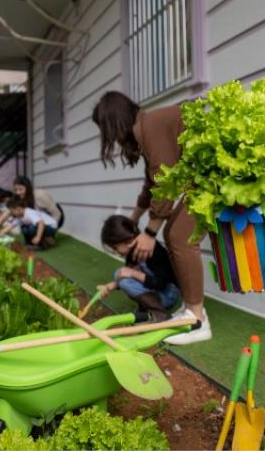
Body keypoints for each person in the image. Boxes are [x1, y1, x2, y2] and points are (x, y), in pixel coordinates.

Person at [92, 91, 211, 345]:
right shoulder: (146, 128)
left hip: (213, 178)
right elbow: (151, 184)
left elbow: (164, 181)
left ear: (114, 121)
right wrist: (135, 218)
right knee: (174, 234)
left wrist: (148, 233)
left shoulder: (150, 125)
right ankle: (191, 310)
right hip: (203, 179)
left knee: (180, 236)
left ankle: (198, 319)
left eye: (105, 128)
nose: (109, 137)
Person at [98, 214, 181, 323]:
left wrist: (133, 273)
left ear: (128, 240)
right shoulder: (131, 252)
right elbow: (127, 274)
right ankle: (147, 307)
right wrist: (110, 286)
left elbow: (160, 283)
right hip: (154, 290)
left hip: (168, 294)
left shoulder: (154, 251)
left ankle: (160, 314)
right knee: (119, 273)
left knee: (126, 280)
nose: (114, 251)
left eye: (115, 247)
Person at [0, 176, 64, 238]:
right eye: (16, 190)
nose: (18, 192)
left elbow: (57, 213)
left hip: (53, 218)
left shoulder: (39, 195)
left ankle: (47, 239)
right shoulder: (18, 198)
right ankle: (34, 241)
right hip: (37, 217)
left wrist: (52, 230)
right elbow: (9, 211)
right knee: (24, 223)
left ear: (28, 188)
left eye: (20, 189)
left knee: (32, 227)